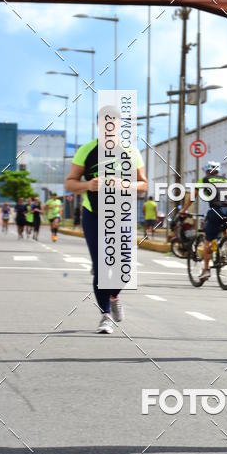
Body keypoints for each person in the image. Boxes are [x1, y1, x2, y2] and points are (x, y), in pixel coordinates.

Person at [65, 134, 147, 334]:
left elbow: (143, 185)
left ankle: (114, 296)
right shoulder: (87, 150)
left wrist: (124, 185)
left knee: (124, 267)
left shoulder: (130, 151)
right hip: (93, 215)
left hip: (122, 214)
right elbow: (70, 183)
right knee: (101, 266)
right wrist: (87, 185)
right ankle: (105, 315)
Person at [181, 161, 227, 285]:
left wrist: (183, 210)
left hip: (216, 210)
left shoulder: (204, 180)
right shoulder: (226, 180)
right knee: (225, 222)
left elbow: (192, 197)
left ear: (206, 170)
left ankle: (206, 270)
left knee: (207, 240)